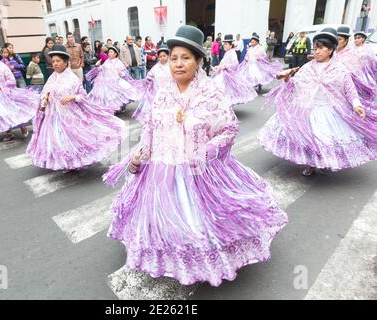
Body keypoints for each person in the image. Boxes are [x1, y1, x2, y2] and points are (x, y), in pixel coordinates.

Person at [103, 25, 288, 287]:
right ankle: (172, 260)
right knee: (161, 223)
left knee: (197, 224)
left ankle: (204, 263)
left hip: (198, 171)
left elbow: (229, 129)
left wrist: (203, 152)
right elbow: (150, 127)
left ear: (199, 61)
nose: (178, 64)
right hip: (160, 168)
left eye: (186, 58)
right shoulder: (163, 92)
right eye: (174, 58)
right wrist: (141, 153)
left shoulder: (211, 92)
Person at [258, 28, 377, 177]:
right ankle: (311, 164)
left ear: (331, 49)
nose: (317, 52)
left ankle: (324, 162)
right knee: (310, 138)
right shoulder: (307, 67)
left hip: (329, 111)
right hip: (309, 109)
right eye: (315, 48)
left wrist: (357, 105)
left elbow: (350, 90)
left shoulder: (340, 69)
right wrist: (288, 78)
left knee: (325, 141)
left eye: (321, 48)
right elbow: (296, 85)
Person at [26, 44, 126, 171]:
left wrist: (73, 97)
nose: (55, 64)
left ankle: (76, 163)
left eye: (58, 61)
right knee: (58, 142)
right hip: (53, 117)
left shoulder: (73, 79)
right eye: (53, 61)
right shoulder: (51, 78)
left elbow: (83, 97)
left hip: (70, 117)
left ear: (65, 62)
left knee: (73, 142)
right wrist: (45, 98)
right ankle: (65, 163)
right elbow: (45, 93)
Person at [86, 46, 142, 114]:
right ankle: (112, 108)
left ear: (115, 54)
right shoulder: (107, 61)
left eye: (111, 52)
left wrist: (122, 73)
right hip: (107, 82)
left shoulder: (118, 62)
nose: (109, 53)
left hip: (116, 81)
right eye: (109, 52)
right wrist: (98, 65)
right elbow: (102, 69)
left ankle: (121, 106)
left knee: (119, 95)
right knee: (109, 96)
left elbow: (124, 72)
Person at [212, 35, 258, 105]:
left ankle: (226, 106)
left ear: (230, 46)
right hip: (223, 74)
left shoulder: (232, 53)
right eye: (224, 44)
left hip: (228, 76)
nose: (224, 45)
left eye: (226, 44)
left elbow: (235, 64)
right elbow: (224, 63)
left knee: (226, 91)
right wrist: (218, 66)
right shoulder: (227, 52)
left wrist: (224, 67)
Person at [334, 26, 376, 101]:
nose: (337, 41)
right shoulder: (332, 51)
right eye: (336, 39)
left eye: (339, 39)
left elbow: (355, 71)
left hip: (348, 87)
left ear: (346, 40)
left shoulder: (352, 53)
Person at [133, 44, 171, 123]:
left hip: (170, 92)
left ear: (168, 56)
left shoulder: (172, 66)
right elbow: (148, 78)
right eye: (160, 57)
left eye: (164, 56)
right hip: (157, 93)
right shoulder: (155, 68)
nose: (162, 58)